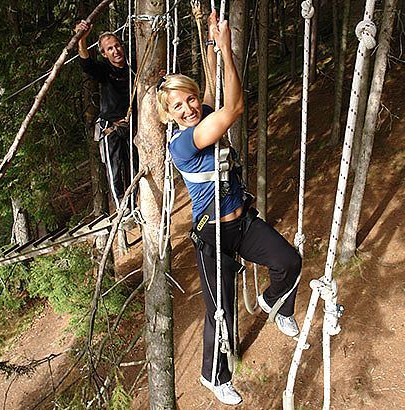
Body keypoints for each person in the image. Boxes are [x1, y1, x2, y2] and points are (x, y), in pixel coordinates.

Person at [156, 12, 301, 406]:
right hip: (211, 236)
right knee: (221, 311)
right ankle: (214, 375)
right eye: (178, 106)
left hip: (242, 223)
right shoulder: (185, 143)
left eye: (190, 99)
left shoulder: (201, 113)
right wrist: (225, 48)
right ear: (169, 116)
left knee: (289, 260)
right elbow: (234, 109)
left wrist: (211, 46)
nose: (188, 108)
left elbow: (214, 92)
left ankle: (276, 303)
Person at [74, 20, 135, 210]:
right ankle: (123, 210)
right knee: (115, 170)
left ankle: (134, 206)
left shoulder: (133, 67)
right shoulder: (105, 70)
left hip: (132, 126)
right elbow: (86, 64)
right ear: (104, 53)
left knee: (133, 168)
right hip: (111, 128)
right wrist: (82, 39)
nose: (115, 51)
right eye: (110, 49)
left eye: (117, 46)